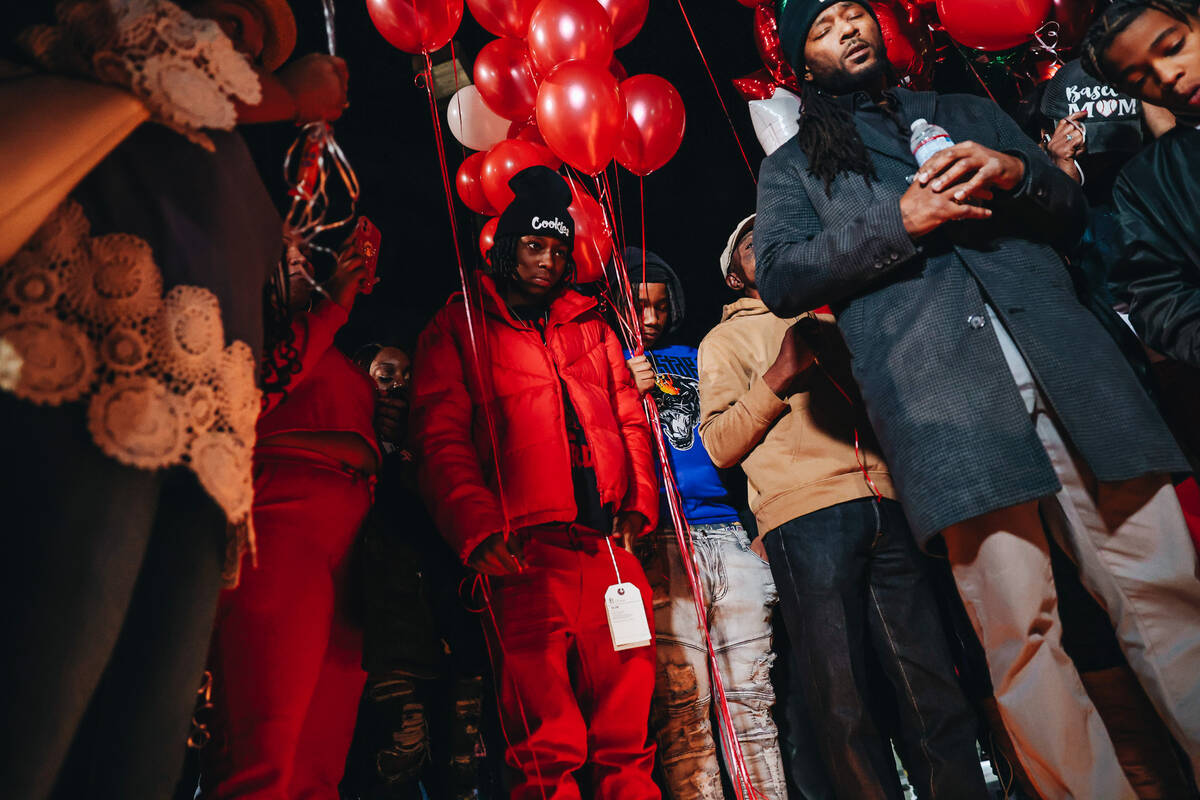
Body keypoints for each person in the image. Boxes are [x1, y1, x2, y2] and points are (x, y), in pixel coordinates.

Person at [758, 1, 1200, 797]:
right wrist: (900, 218)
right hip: (948, 414)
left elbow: (1069, 213)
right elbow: (783, 275)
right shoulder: (795, 166)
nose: (848, 31)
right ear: (803, 61)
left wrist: (1018, 171)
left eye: (855, 13)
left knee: (1165, 593)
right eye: (822, 29)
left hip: (1075, 379)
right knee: (1020, 636)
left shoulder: (961, 110)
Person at [0, 0, 345, 796]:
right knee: (48, 668)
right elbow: (161, 57)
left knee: (142, 724)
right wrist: (296, 94)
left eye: (257, 40)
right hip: (93, 364)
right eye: (230, 18)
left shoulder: (230, 161)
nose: (243, 46)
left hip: (207, 439)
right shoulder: (117, 38)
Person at [697, 214, 988, 800]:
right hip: (804, 518)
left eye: (774, 238)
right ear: (734, 276)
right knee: (841, 698)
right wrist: (778, 375)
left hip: (887, 500)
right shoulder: (723, 341)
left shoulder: (839, 313)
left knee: (929, 683)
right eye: (752, 244)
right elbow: (720, 445)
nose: (767, 246)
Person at [411, 166, 661, 800]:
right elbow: (438, 437)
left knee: (627, 732)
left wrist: (637, 503)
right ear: (503, 248)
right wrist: (475, 528)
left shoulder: (594, 327)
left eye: (558, 249)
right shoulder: (458, 326)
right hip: (523, 552)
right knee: (542, 741)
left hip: (606, 550)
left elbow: (631, 416)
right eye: (534, 245)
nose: (548, 260)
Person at [201, 236, 376, 798]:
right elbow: (254, 395)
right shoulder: (241, 332)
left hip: (347, 547)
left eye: (307, 255)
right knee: (265, 747)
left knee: (319, 759)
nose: (301, 261)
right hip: (277, 523)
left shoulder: (331, 344)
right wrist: (333, 308)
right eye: (286, 254)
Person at [623, 246, 788, 800]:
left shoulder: (698, 355)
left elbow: (748, 433)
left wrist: (762, 524)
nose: (650, 317)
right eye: (638, 305)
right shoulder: (607, 362)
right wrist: (623, 385)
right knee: (682, 706)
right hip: (660, 540)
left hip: (729, 534)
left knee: (751, 699)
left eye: (660, 305)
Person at [344, 340, 492, 800]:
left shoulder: (436, 448)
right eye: (385, 375)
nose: (398, 387)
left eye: (408, 377)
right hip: (389, 636)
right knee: (397, 760)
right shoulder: (355, 449)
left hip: (453, 629)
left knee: (462, 767)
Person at [1080, 0, 1200, 368]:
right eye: (1139, 79)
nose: (1166, 75)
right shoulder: (1147, 183)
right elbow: (1159, 297)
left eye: (1174, 46)